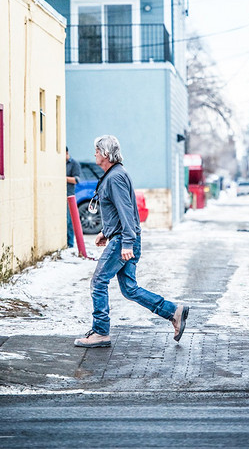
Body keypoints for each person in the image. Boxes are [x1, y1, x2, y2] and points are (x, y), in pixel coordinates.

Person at [74, 135, 189, 348]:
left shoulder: (115, 177)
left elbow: (127, 212)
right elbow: (118, 212)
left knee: (98, 282)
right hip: (122, 238)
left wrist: (126, 243)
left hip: (124, 241)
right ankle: (173, 312)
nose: (95, 154)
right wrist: (105, 232)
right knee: (129, 289)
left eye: (97, 151)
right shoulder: (114, 174)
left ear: (106, 154)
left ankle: (100, 332)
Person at [66, 147, 81, 248]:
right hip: (59, 194)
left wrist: (63, 178)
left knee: (69, 221)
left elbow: (76, 180)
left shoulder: (74, 164)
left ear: (66, 153)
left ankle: (70, 244)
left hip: (69, 195)